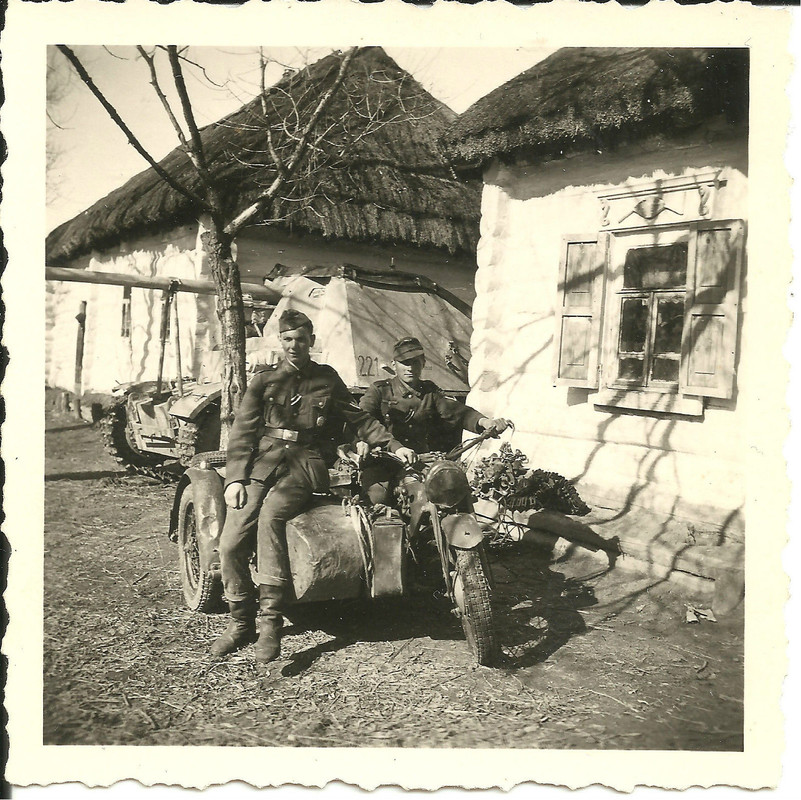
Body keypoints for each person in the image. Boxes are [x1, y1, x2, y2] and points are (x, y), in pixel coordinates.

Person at [212, 309, 415, 663]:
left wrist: (394, 445)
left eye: (301, 340)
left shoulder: (326, 379)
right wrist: (235, 480)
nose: (294, 346)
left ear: (311, 342)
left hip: (304, 466)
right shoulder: (264, 381)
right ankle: (240, 622)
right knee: (229, 544)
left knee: (271, 519)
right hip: (263, 464)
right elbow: (243, 432)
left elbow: (358, 418)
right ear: (280, 341)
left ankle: (271, 624)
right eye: (288, 339)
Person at [356, 336, 512, 505]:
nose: (410, 368)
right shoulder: (380, 390)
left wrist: (485, 422)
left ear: (423, 363)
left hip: (420, 460)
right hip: (384, 461)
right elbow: (362, 420)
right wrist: (362, 442)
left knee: (453, 492)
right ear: (394, 365)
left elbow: (457, 412)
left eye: (415, 362)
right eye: (404, 362)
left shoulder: (429, 392)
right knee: (378, 497)